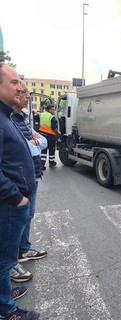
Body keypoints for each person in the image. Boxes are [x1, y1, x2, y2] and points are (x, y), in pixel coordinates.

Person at [0, 63, 40, 319]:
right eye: (14, 82)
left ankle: (4, 294)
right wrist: (18, 198)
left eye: (21, 82)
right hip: (9, 204)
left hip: (13, 203)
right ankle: (6, 310)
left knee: (6, 258)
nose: (22, 86)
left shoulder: (7, 117)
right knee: (3, 260)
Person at [10, 82, 48, 284]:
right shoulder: (8, 120)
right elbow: (23, 148)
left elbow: (42, 142)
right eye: (24, 92)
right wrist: (33, 144)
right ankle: (10, 261)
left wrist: (33, 143)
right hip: (18, 180)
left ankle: (23, 250)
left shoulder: (22, 118)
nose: (27, 96)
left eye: (28, 92)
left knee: (28, 215)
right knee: (13, 221)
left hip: (33, 174)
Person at [39, 104, 60, 170]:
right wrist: (58, 132)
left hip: (42, 134)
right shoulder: (51, 117)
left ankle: (42, 165)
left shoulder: (42, 114)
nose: (54, 111)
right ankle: (52, 162)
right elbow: (54, 128)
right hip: (50, 135)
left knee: (43, 150)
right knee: (52, 149)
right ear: (49, 110)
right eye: (53, 109)